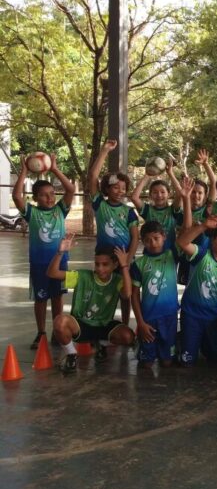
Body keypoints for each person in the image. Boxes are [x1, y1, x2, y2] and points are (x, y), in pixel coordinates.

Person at [47, 234, 135, 373]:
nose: (100, 268)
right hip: (81, 324)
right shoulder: (82, 276)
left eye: (105, 264)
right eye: (97, 264)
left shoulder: (118, 280)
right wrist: (60, 252)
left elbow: (127, 294)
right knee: (60, 322)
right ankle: (71, 354)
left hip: (104, 325)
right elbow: (52, 273)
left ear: (115, 265)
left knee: (128, 336)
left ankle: (101, 344)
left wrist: (124, 266)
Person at [13, 153, 75, 350]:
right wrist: (24, 171)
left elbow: (71, 189)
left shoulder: (60, 210)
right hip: (39, 264)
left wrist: (55, 169)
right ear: (35, 198)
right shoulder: (32, 213)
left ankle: (58, 330)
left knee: (57, 297)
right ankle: (41, 332)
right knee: (40, 299)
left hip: (60, 263)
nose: (50, 197)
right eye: (44, 195)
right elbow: (16, 196)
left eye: (52, 193)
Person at [176, 188, 217, 367]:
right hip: (191, 315)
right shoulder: (201, 254)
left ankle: (202, 341)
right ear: (213, 240)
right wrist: (204, 226)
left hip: (213, 318)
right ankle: (181, 339)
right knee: (187, 362)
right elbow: (182, 242)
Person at [88, 139, 139, 323]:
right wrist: (104, 151)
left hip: (124, 260)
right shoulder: (100, 205)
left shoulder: (129, 211)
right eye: (116, 187)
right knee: (102, 292)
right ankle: (99, 323)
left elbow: (135, 238)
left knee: (126, 295)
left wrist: (128, 259)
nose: (120, 191)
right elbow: (93, 176)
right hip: (104, 259)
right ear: (107, 189)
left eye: (123, 188)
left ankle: (125, 324)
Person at [130, 221, 179, 368]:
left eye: (156, 238)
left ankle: (175, 345)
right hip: (148, 319)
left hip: (169, 316)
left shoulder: (172, 254)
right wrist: (140, 323)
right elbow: (134, 295)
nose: (152, 243)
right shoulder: (139, 264)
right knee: (147, 364)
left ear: (164, 237)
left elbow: (185, 237)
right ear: (142, 241)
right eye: (147, 240)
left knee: (167, 362)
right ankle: (141, 344)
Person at [176, 149, 217, 285]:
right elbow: (185, 230)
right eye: (193, 192)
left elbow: (213, 183)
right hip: (186, 257)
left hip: (205, 256)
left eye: (200, 193)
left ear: (205, 196)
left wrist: (205, 164)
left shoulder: (208, 209)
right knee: (188, 287)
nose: (196, 195)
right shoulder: (182, 213)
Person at [131, 159, 183, 252]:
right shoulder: (147, 210)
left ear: (169, 194)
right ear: (150, 195)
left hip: (169, 253)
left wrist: (170, 173)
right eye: (155, 192)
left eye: (163, 192)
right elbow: (134, 197)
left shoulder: (173, 210)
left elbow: (180, 193)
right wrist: (147, 175)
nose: (159, 195)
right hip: (150, 252)